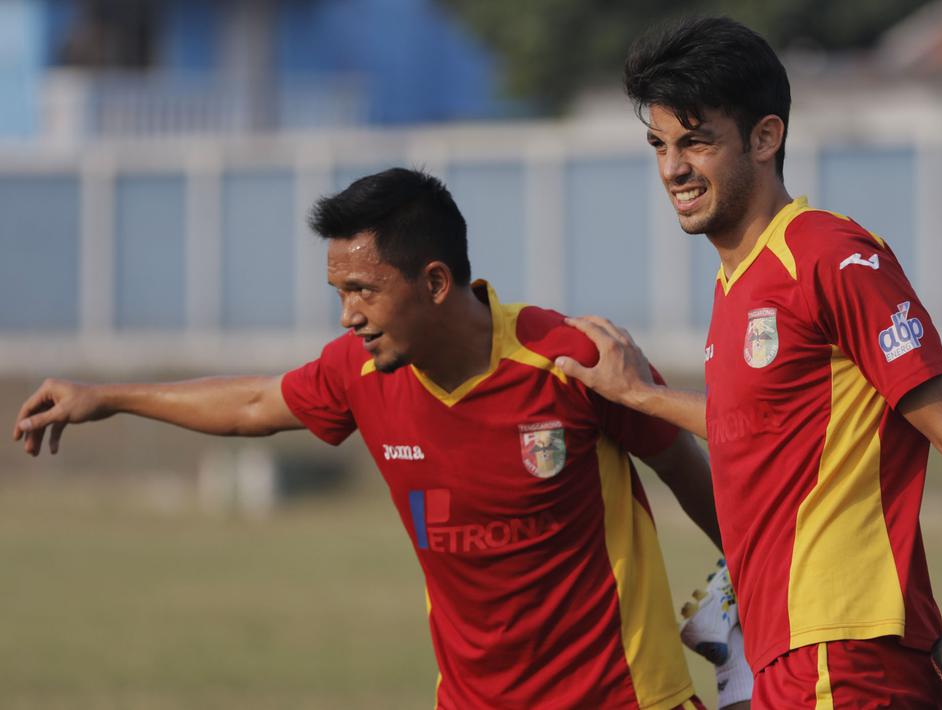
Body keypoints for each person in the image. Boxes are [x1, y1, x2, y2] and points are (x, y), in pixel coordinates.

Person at [13, 168, 749, 710]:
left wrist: (759, 580)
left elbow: (685, 467)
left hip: (622, 699)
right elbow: (252, 403)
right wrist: (106, 398)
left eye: (362, 290)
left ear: (433, 281)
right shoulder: (359, 371)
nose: (347, 316)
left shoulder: (569, 356)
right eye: (339, 293)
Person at [553, 17, 942, 709]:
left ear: (765, 137)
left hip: (842, 645)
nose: (672, 168)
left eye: (695, 141)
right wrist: (640, 395)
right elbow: (767, 423)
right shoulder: (739, 281)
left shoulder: (826, 253)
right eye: (659, 144)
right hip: (794, 650)